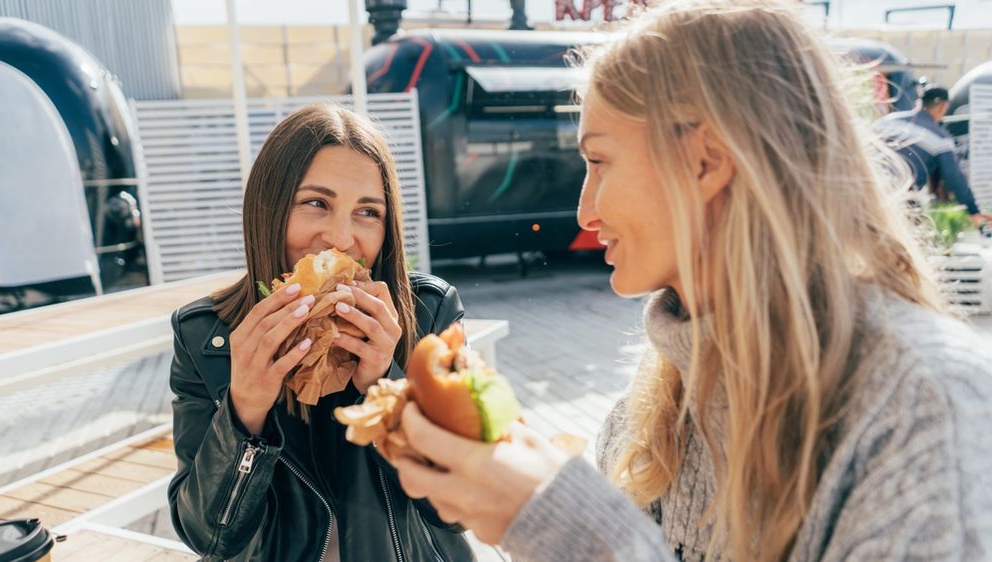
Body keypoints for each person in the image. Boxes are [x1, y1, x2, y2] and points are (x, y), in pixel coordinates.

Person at [388, 2, 992, 561]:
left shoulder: (926, 402)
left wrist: (564, 523)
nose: (583, 211)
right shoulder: (654, 402)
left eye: (598, 162)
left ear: (706, 160)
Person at [167, 103, 475, 561]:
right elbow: (207, 537)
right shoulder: (207, 338)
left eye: (367, 212)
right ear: (267, 210)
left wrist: (385, 390)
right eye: (316, 203)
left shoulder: (427, 315)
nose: (342, 238)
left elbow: (457, 509)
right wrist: (244, 409)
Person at [876, 84, 992, 226]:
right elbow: (954, 177)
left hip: (865, 186)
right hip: (899, 197)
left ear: (919, 102)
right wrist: (973, 211)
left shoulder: (887, 121)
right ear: (942, 106)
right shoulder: (940, 139)